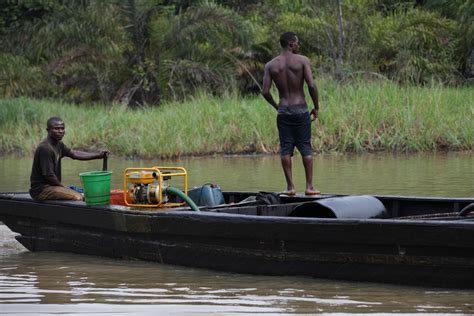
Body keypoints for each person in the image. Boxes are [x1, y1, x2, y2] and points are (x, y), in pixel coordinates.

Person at [262, 32, 320, 196]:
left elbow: (265, 91)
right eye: (297, 43)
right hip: (300, 109)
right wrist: (316, 107)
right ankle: (309, 187)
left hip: (284, 111)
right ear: (291, 43)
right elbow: (311, 85)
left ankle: (290, 188)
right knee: (306, 148)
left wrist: (276, 106)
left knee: (286, 149)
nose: (298, 45)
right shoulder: (302, 61)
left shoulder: (271, 65)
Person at [30, 117, 109, 201]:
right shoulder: (45, 148)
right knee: (78, 197)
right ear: (48, 130)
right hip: (41, 191)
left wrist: (97, 155)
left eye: (62, 128)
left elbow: (74, 154)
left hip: (53, 187)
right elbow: (49, 175)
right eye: (56, 129)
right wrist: (64, 189)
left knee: (84, 194)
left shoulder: (59, 145)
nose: (60, 131)